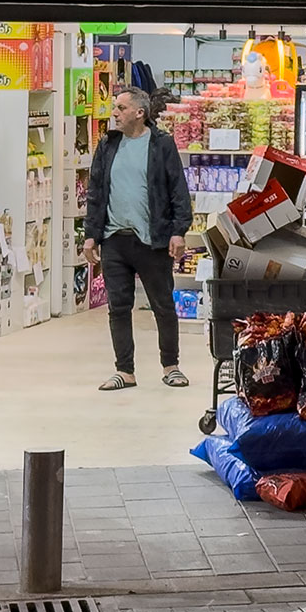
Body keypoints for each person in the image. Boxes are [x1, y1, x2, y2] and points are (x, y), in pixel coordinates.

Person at [82, 87, 193, 390]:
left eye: (120, 108)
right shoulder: (107, 145)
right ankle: (124, 371)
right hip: (115, 238)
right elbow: (96, 193)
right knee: (118, 306)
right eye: (114, 107)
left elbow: (178, 191)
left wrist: (178, 231)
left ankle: (171, 366)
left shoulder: (161, 144)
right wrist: (91, 236)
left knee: (162, 305)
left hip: (152, 239)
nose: (114, 113)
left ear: (139, 113)